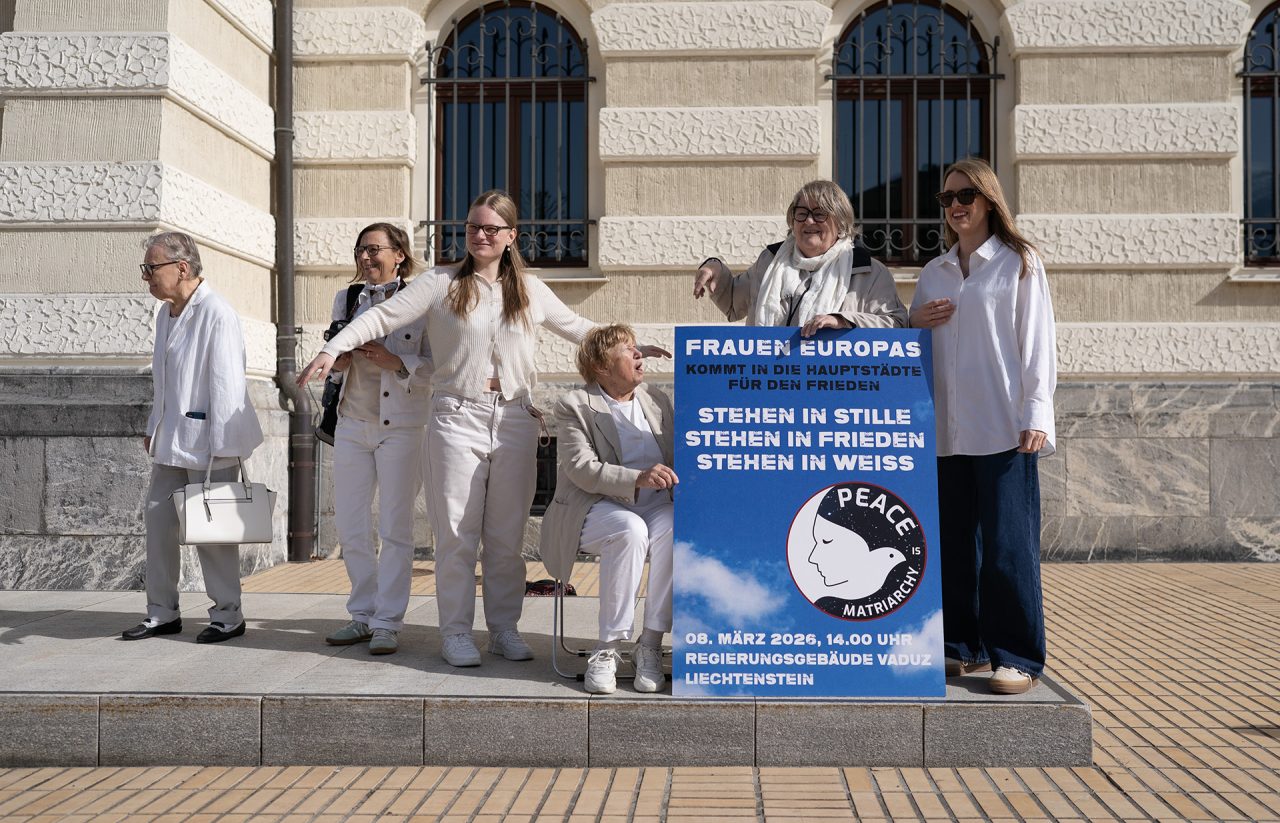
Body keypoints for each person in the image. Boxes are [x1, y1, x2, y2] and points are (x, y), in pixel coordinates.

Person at [297, 190, 668, 667]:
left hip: (515, 418)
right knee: (455, 535)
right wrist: (332, 350)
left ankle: (504, 629)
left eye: (492, 228)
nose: (481, 235)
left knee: (506, 537)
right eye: (474, 227)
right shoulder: (441, 282)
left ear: (512, 235)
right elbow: (382, 316)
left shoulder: (530, 290)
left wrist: (635, 345)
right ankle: (455, 632)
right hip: (456, 417)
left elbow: (581, 328)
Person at [909, 157, 1056, 695]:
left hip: (1003, 426)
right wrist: (910, 321)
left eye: (966, 195)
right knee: (952, 544)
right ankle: (959, 645)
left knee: (1006, 547)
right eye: (947, 198)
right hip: (946, 431)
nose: (956, 206)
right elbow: (915, 350)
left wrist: (1037, 410)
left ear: (990, 199)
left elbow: (1037, 343)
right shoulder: (933, 273)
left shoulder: (1019, 262)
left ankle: (1016, 655)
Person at [124, 231, 264, 643]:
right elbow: (163, 381)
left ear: (181, 268)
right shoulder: (166, 313)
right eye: (145, 269)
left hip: (209, 443)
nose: (147, 277)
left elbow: (226, 383)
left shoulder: (216, 312)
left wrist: (222, 449)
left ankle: (228, 614)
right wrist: (154, 427)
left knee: (214, 532)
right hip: (171, 441)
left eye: (152, 269)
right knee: (158, 523)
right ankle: (162, 611)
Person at [540, 325, 676, 695]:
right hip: (595, 507)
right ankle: (609, 647)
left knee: (675, 530)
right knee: (630, 530)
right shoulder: (575, 405)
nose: (639, 356)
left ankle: (649, 643)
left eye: (638, 349)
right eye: (628, 350)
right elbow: (580, 468)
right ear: (601, 366)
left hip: (657, 506)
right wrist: (637, 477)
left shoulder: (657, 401)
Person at [322, 223, 433, 655]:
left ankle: (387, 621)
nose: (365, 258)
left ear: (399, 254)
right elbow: (333, 361)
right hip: (352, 421)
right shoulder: (347, 298)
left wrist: (396, 361)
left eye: (374, 250)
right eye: (360, 250)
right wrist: (341, 359)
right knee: (350, 525)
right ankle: (361, 614)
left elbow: (438, 365)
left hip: (403, 426)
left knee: (395, 528)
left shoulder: (421, 302)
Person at [693, 179, 907, 334]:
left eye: (820, 213)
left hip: (833, 390)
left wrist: (844, 320)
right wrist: (715, 268)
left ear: (841, 223)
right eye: (802, 213)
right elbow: (732, 302)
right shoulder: (770, 261)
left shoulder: (868, 270)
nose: (809, 221)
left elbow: (897, 324)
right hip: (768, 386)